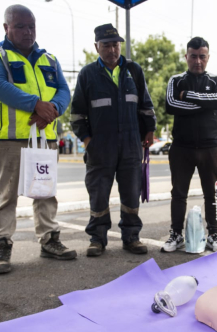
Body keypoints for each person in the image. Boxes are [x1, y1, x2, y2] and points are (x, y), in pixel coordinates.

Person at [0, 4, 76, 274]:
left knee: (46, 192)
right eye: (20, 26)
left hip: (44, 137)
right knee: (6, 195)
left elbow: (63, 90)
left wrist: (52, 110)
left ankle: (50, 241)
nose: (27, 31)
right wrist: (36, 104)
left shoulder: (49, 59)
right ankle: (1, 245)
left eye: (31, 26)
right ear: (6, 28)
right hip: (10, 139)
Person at [70, 23, 156, 257]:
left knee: (131, 193)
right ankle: (97, 239)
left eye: (116, 44)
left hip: (131, 145)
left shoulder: (133, 70)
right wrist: (88, 141)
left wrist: (149, 131)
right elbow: (77, 114)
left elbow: (146, 106)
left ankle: (132, 237)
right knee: (98, 194)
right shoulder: (88, 74)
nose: (112, 49)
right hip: (100, 147)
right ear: (96, 46)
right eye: (106, 45)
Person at [163, 37, 217, 254]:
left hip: (210, 147)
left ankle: (214, 235)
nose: (198, 61)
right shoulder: (176, 81)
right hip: (182, 147)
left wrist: (188, 97)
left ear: (208, 57)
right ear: (186, 56)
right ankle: (176, 234)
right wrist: (204, 104)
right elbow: (171, 105)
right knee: (178, 193)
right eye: (193, 56)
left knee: (213, 194)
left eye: (202, 56)